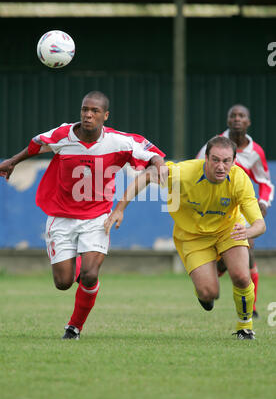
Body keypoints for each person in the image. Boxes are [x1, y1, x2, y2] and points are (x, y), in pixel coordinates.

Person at [0, 90, 165, 340]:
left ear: (105, 115)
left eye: (95, 111)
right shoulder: (63, 135)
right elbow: (37, 143)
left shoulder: (119, 141)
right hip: (61, 215)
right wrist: (14, 160)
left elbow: (151, 152)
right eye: (85, 109)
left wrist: (158, 165)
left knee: (90, 274)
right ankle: (79, 265)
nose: (88, 115)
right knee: (63, 282)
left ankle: (74, 327)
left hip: (98, 216)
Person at [105, 136, 266, 340]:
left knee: (242, 277)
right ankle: (215, 270)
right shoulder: (183, 173)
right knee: (209, 294)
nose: (220, 166)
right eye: (215, 160)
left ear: (234, 161)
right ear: (205, 158)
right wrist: (119, 209)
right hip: (192, 237)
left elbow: (260, 225)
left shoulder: (239, 179)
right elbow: (147, 176)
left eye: (226, 161)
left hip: (228, 231)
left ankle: (245, 327)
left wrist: (247, 232)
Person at [196, 104, 274, 317]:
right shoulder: (213, 146)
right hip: (216, 209)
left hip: (241, 208)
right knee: (226, 259)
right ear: (228, 120)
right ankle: (212, 277)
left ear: (248, 122)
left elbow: (265, 182)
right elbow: (196, 173)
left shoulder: (255, 152)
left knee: (248, 251)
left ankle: (252, 307)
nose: (237, 119)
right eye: (233, 115)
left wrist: (263, 203)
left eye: (242, 116)